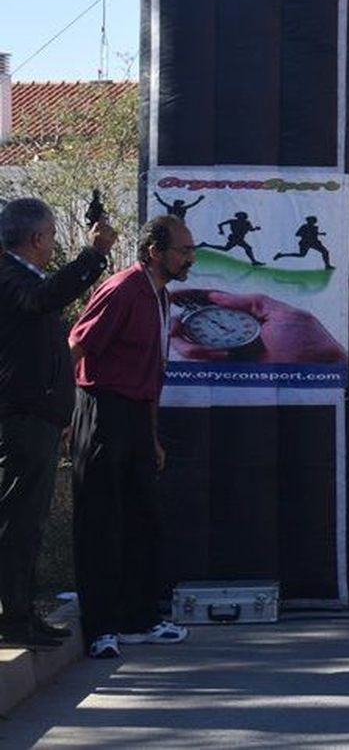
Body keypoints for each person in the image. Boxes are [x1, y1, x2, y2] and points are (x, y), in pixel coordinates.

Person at [69, 215, 194, 660]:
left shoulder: (161, 297)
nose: (189, 259)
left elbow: (152, 375)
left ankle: (139, 619)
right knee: (101, 522)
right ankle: (101, 629)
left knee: (144, 519)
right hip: (103, 409)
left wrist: (154, 437)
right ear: (154, 251)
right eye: (183, 250)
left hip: (139, 416)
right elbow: (76, 347)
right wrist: (63, 414)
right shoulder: (123, 288)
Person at [0, 198, 114, 650]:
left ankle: (23, 611)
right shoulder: (11, 277)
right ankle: (15, 616)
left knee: (30, 518)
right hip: (23, 416)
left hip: (41, 415)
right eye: (50, 237)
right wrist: (92, 257)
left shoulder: (24, 277)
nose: (53, 246)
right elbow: (43, 299)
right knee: (19, 519)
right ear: (37, 238)